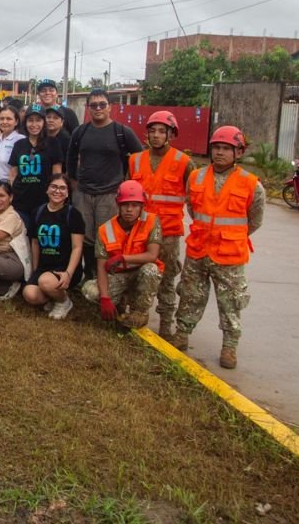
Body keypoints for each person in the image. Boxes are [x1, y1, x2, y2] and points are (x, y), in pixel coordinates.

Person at [173, 126, 264, 369]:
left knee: (230, 302)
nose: (220, 152)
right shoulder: (196, 177)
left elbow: (255, 220)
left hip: (229, 255)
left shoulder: (251, 184)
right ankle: (182, 334)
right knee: (190, 295)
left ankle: (229, 347)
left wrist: (232, 236)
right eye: (216, 148)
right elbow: (193, 209)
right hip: (198, 249)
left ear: (238, 152)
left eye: (226, 148)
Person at [127, 110, 193, 339]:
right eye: (152, 131)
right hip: (141, 231)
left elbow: (194, 198)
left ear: (171, 135)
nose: (155, 135)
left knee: (166, 279)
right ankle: (136, 314)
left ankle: (165, 324)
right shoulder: (135, 160)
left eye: (161, 131)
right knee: (137, 274)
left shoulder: (184, 163)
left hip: (168, 233)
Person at [66, 89, 142, 280]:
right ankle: (90, 277)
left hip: (110, 194)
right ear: (88, 108)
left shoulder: (122, 132)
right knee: (85, 237)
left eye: (102, 104)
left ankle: (109, 278)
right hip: (83, 193)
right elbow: (71, 158)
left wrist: (129, 185)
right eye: (93, 105)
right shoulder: (80, 132)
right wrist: (74, 183)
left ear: (110, 107)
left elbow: (139, 158)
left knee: (108, 237)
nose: (98, 108)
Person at [80, 180, 164, 329]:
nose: (129, 210)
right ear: (118, 205)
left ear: (142, 206)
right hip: (119, 276)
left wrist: (123, 258)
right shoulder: (105, 230)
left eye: (135, 205)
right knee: (90, 291)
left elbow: (152, 255)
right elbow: (101, 268)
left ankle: (140, 312)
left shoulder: (152, 221)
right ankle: (119, 303)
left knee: (151, 269)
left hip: (141, 275)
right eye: (125, 205)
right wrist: (105, 298)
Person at [23, 174, 85, 319]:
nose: (57, 191)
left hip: (65, 267)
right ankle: (53, 297)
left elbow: (77, 247)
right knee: (29, 294)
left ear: (68, 193)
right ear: (47, 189)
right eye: (54, 187)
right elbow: (35, 242)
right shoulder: (37, 212)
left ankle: (64, 302)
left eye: (62, 188)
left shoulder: (73, 214)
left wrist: (68, 273)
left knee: (45, 281)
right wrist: (35, 270)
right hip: (45, 267)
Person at [10, 105, 63, 228]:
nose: (34, 124)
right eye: (30, 120)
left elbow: (57, 173)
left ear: (44, 122)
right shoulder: (19, 144)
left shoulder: (53, 143)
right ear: (25, 122)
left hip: (44, 200)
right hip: (21, 201)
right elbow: (13, 173)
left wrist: (55, 196)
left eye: (38, 120)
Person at [0, 106, 24, 184]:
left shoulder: (21, 140)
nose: (4, 122)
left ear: (16, 122)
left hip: (11, 186)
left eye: (9, 119)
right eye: (1, 119)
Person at [44, 105, 71, 170]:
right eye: (48, 117)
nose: (51, 120)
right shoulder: (40, 136)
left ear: (62, 122)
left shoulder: (67, 141)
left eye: (55, 118)